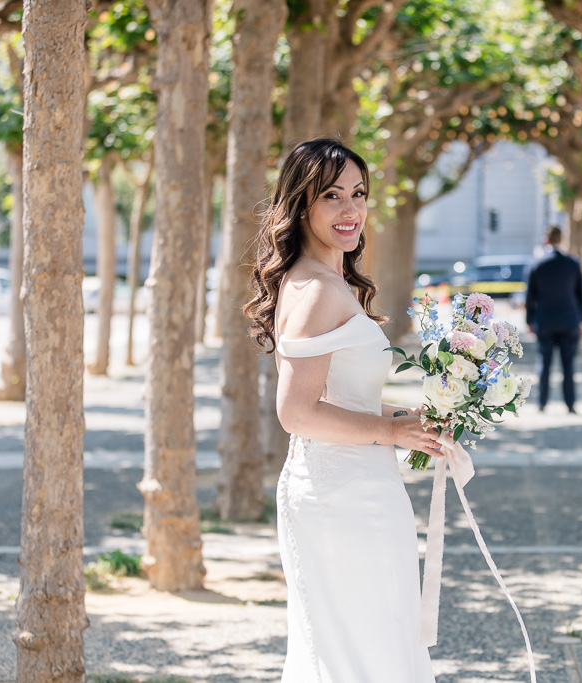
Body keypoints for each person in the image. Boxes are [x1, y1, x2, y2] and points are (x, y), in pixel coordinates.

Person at [244, 138, 440, 682]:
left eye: (358, 193)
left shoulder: (332, 283)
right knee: (360, 651)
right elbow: (297, 412)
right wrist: (390, 431)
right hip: (343, 498)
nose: (351, 209)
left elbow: (342, 397)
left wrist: (412, 419)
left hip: (362, 485)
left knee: (376, 641)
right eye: (332, 195)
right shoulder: (313, 290)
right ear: (301, 204)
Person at [524, 225, 582, 413]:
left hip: (545, 321)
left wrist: (529, 320)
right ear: (562, 239)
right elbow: (581, 295)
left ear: (546, 240)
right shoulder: (573, 264)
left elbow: (529, 297)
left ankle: (542, 403)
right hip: (569, 320)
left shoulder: (536, 264)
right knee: (568, 365)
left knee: (544, 364)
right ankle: (570, 404)